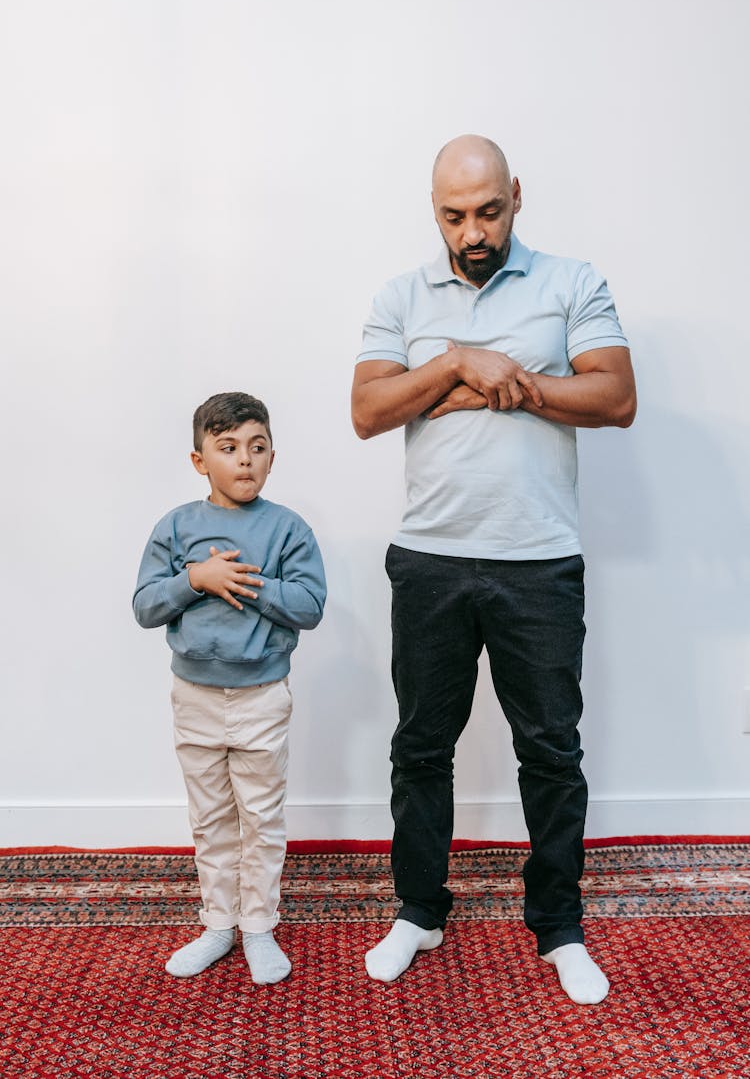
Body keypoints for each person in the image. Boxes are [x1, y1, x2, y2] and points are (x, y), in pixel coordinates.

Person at [351, 135, 636, 1005]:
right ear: (432, 209)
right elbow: (367, 409)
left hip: (539, 561)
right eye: (452, 216)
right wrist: (452, 363)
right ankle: (419, 911)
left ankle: (558, 925)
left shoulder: (573, 283)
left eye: (488, 211)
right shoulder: (401, 295)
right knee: (420, 746)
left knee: (551, 750)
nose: (472, 232)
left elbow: (615, 397)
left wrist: (507, 379)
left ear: (517, 195)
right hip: (431, 558)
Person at [133, 392, 326, 983]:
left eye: (257, 447)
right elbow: (144, 606)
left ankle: (259, 926)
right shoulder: (177, 527)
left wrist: (248, 583)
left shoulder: (287, 528)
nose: (245, 460)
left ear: (273, 457)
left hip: (262, 697)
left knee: (261, 816)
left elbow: (310, 605)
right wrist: (196, 578)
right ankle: (219, 924)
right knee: (211, 817)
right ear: (199, 461)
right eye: (228, 448)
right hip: (193, 696)